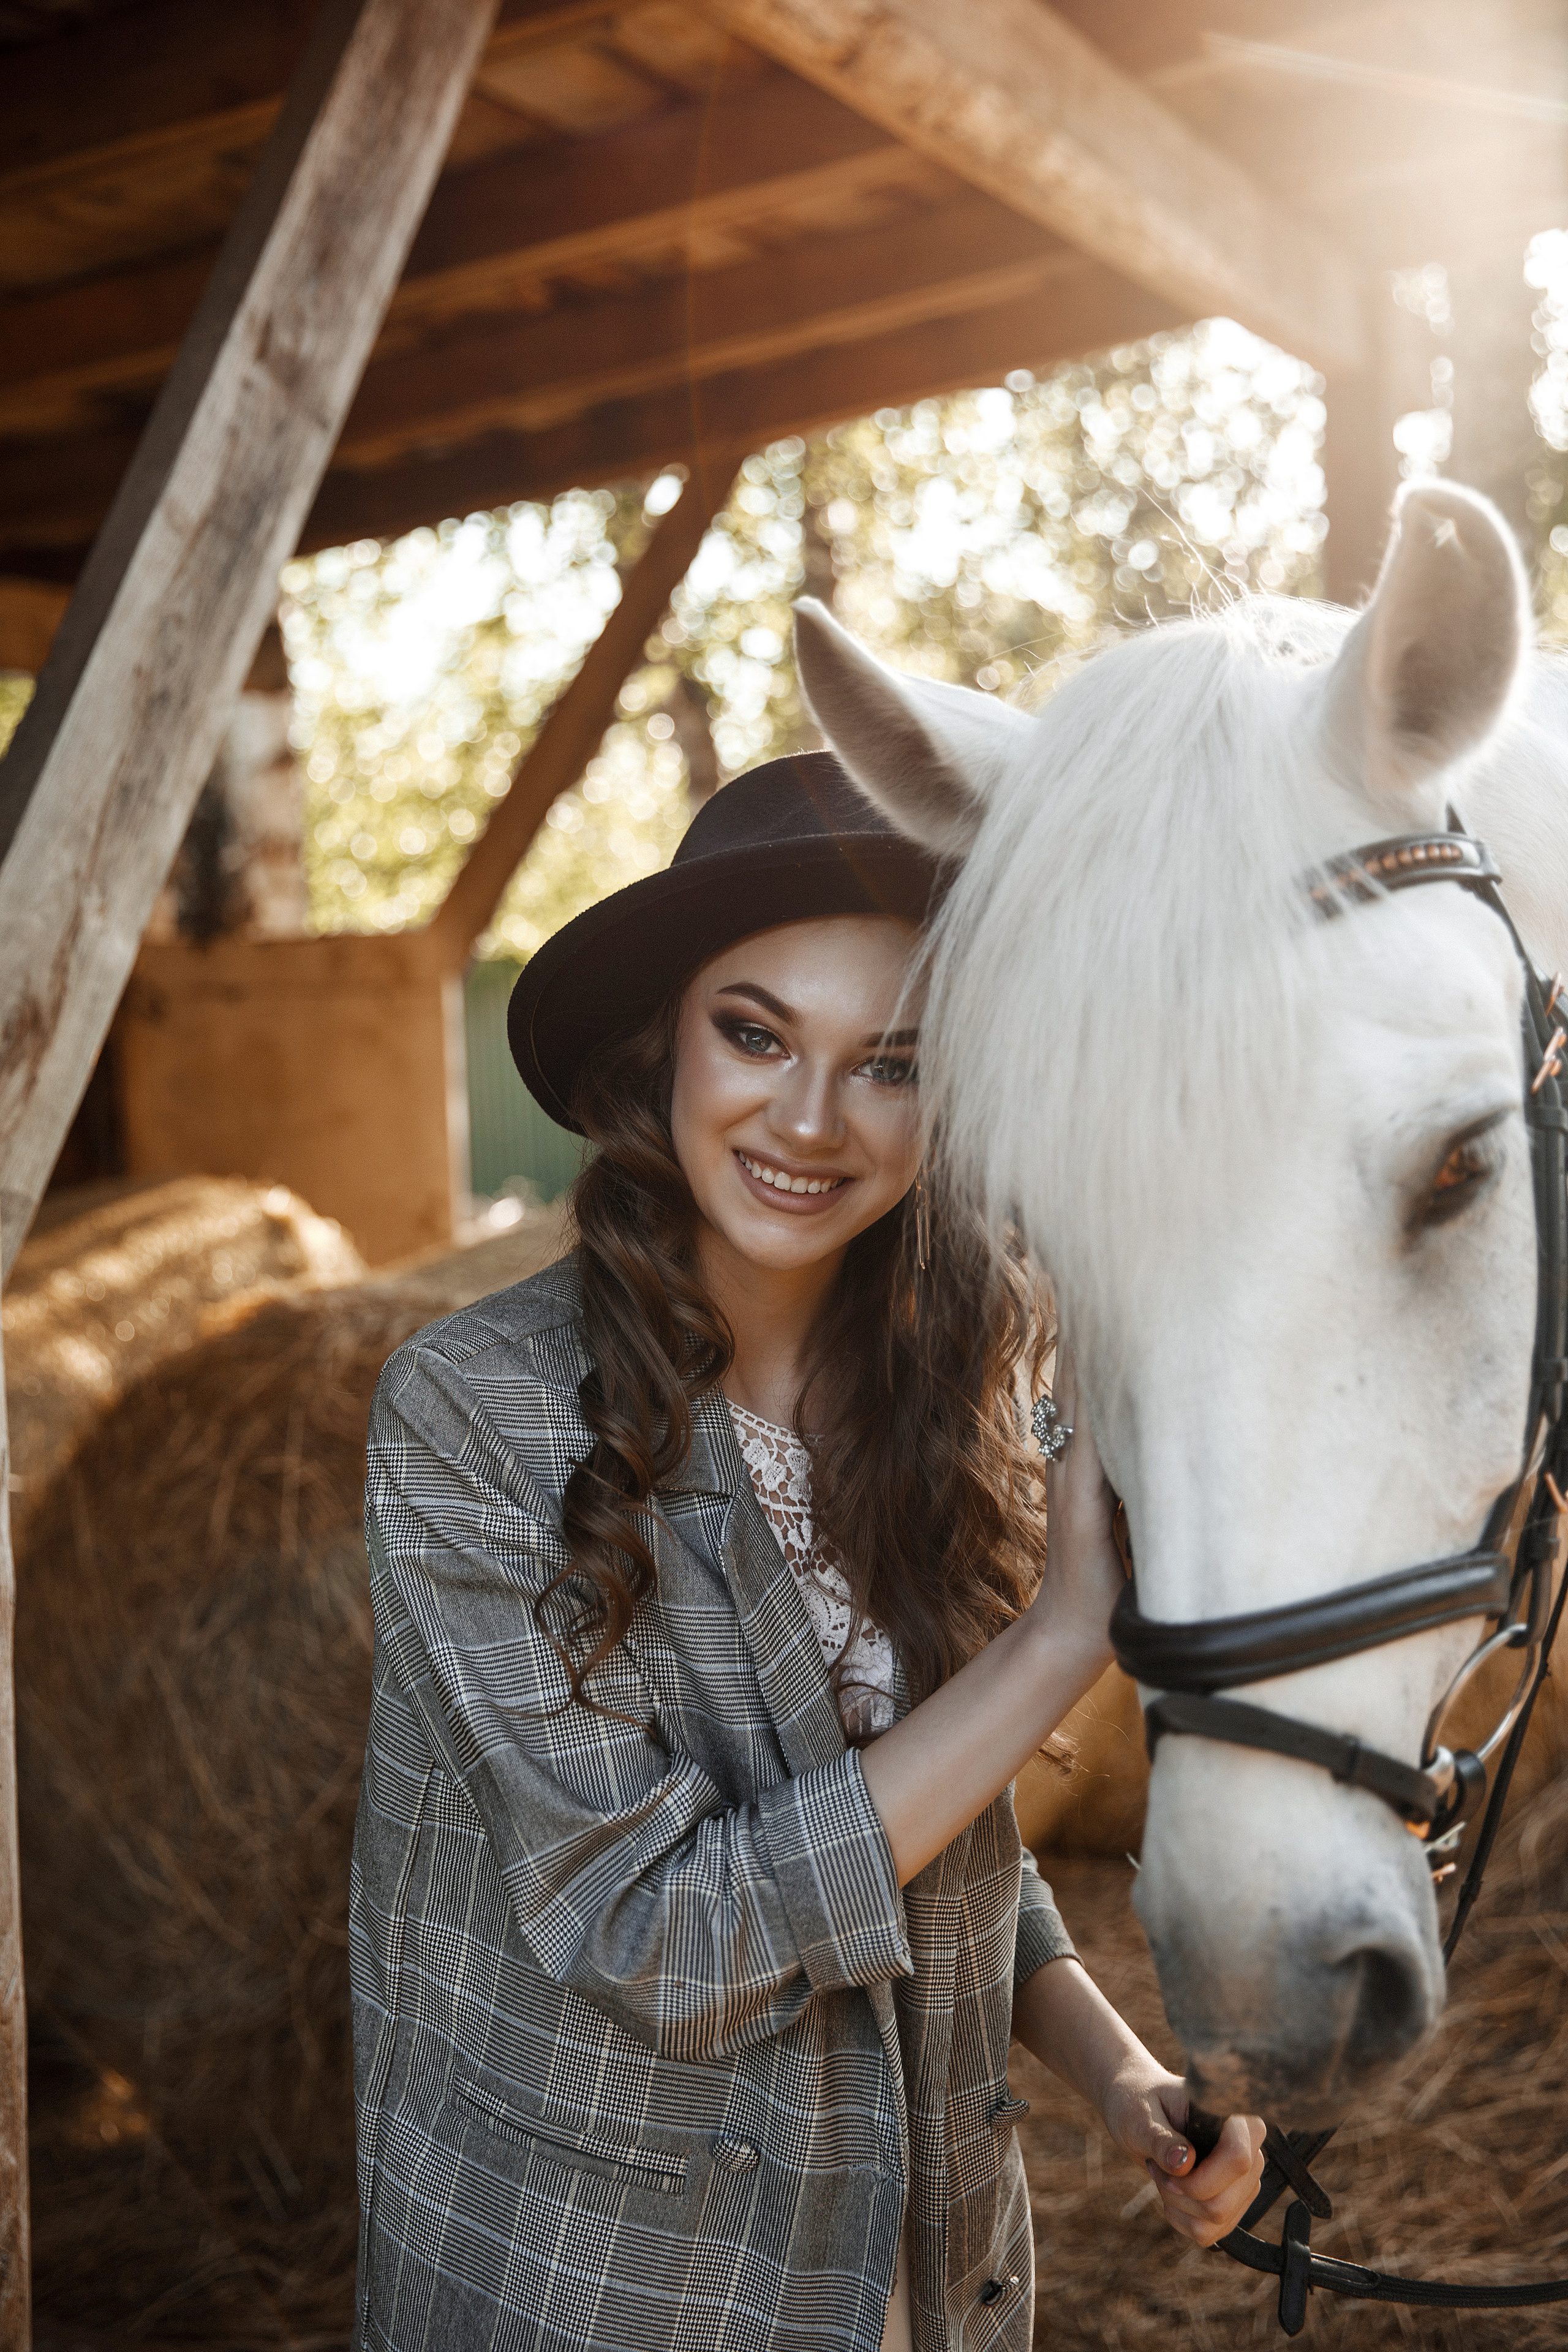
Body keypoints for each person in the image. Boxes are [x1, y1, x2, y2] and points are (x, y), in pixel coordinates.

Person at [350, 752, 1264, 2352]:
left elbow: (924, 1809)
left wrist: (1117, 2070)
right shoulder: (474, 1414)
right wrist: (1061, 1640)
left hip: (932, 2261)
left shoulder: (966, 1376)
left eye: (888, 1064)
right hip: (612, 2281)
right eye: (756, 1032)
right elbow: (663, 1936)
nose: (809, 1118)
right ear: (662, 1040)